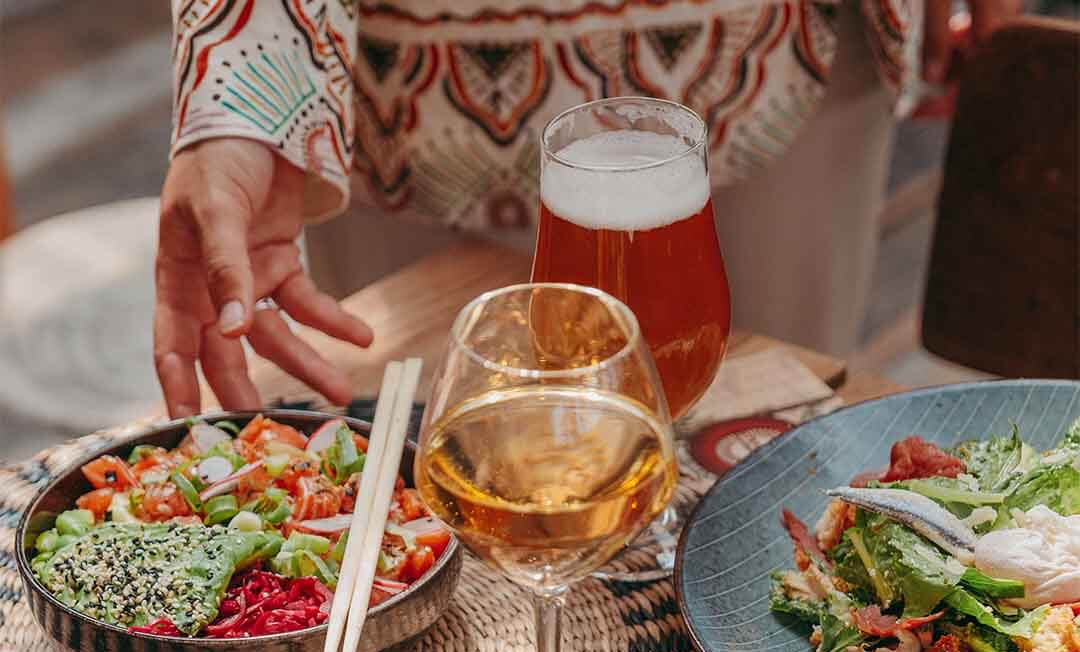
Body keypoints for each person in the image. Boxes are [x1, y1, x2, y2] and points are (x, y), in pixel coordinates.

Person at [155, 0, 1021, 418]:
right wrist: (242, 79)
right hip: (387, 83)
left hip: (777, 58)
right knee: (434, 514)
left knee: (763, 490)